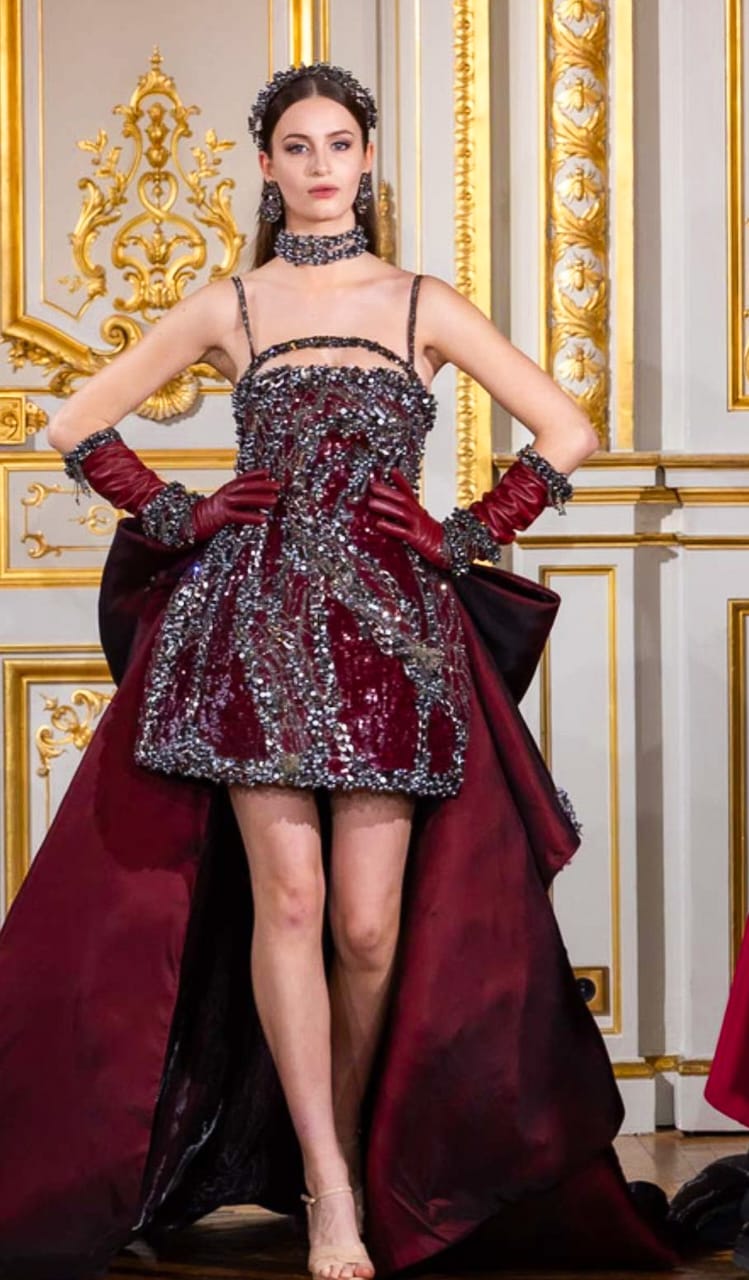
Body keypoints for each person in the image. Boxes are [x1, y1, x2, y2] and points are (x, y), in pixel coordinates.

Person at [0, 63, 675, 1280]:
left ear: (366, 161)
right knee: (292, 902)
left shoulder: (419, 301)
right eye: (297, 146)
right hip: (253, 628)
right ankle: (326, 1188)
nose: (320, 165)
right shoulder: (232, 303)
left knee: (366, 927)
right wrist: (184, 514)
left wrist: (467, 531)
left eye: (340, 144)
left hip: (390, 641)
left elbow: (567, 428)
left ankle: (349, 1150)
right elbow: (74, 421)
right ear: (266, 166)